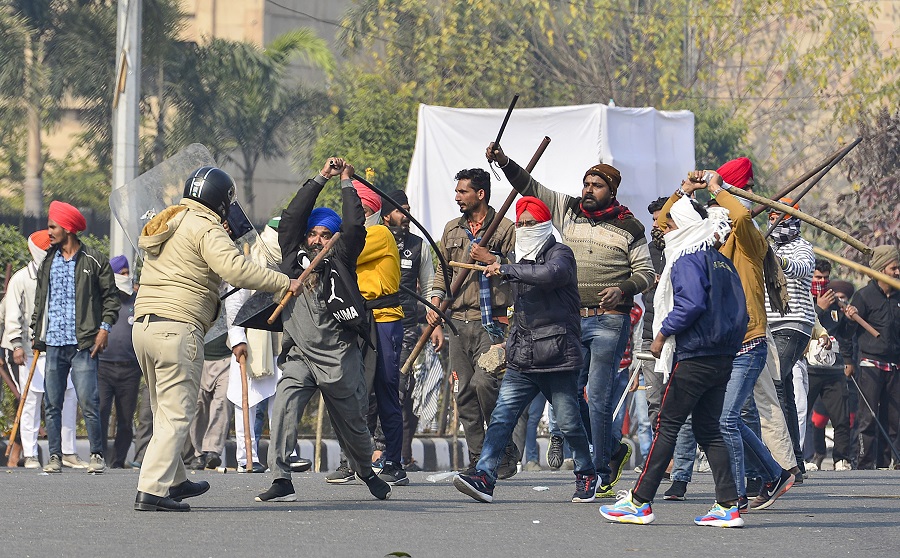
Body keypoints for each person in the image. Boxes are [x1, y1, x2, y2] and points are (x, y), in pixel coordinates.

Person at [486, 144, 655, 497]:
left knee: (597, 393)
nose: (587, 190)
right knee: (569, 396)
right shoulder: (569, 210)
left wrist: (623, 289)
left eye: (596, 185)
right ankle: (612, 446)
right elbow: (530, 186)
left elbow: (646, 273)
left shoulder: (631, 226)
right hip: (572, 321)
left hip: (610, 319)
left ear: (611, 190)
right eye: (585, 183)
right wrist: (503, 161)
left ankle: (602, 467)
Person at [133, 166, 298, 511]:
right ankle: (151, 490)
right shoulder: (204, 225)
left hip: (145, 326)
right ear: (221, 201)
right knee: (178, 414)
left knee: (164, 409)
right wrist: (283, 282)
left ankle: (174, 481)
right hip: (178, 328)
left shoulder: (169, 220)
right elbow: (235, 269)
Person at [600, 195, 747, 527]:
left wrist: (663, 334)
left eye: (670, 225)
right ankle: (727, 505)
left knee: (666, 426)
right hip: (723, 356)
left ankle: (639, 502)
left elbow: (691, 304)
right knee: (708, 429)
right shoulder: (723, 261)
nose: (665, 232)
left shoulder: (687, 260)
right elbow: (743, 313)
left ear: (685, 227)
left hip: (695, 355)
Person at [657, 169, 795, 511]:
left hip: (748, 342)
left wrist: (718, 189)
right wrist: (683, 189)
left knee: (726, 421)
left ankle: (734, 498)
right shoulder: (705, 253)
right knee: (723, 419)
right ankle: (772, 475)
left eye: (720, 223)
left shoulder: (748, 245)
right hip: (723, 347)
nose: (714, 231)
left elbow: (743, 216)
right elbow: (664, 222)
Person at [257, 158, 391, 503]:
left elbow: (354, 228)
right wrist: (320, 178)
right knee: (284, 406)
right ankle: (281, 477)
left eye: (325, 235)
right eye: (313, 234)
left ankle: (364, 469)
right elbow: (291, 218)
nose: (318, 240)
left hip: (339, 359)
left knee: (355, 428)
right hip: (300, 356)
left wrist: (346, 182)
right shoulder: (291, 258)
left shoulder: (343, 259)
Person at [453, 197, 597, 503]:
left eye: (531, 223)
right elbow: (517, 308)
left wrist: (505, 267)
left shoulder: (560, 254)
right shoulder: (517, 261)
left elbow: (549, 275)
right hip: (523, 355)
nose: (525, 228)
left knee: (570, 423)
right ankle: (485, 476)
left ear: (545, 224)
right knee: (503, 417)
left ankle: (586, 472)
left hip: (558, 356)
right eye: (520, 223)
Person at [427, 168, 518, 477]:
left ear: (480, 194)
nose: (457, 197)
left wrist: (491, 258)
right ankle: (481, 459)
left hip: (491, 323)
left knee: (485, 384)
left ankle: (502, 448)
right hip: (457, 322)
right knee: (462, 392)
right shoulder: (452, 229)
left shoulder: (505, 228)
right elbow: (443, 272)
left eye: (463, 191)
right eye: (457, 191)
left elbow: (519, 269)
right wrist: (437, 302)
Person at [31, 201, 120, 475]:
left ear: (68, 228)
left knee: (89, 402)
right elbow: (39, 302)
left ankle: (96, 454)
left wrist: (104, 329)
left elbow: (111, 299)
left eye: (52, 227)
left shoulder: (94, 260)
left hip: (83, 344)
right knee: (52, 403)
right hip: (54, 343)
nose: (49, 232)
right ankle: (55, 456)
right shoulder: (47, 261)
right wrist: (37, 333)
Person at [3, 230, 84, 470]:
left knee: (69, 397)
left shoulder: (64, 273)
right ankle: (30, 453)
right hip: (30, 352)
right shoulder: (21, 279)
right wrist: (17, 344)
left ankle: (68, 451)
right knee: (32, 400)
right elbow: (12, 316)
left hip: (62, 348)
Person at [382, 188, 443, 472]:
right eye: (399, 210)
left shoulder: (419, 245)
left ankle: (393, 454)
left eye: (407, 209)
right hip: (373, 324)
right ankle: (371, 451)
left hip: (406, 325)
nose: (406, 215)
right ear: (385, 216)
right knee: (373, 389)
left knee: (400, 388)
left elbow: (430, 287)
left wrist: (435, 324)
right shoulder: (371, 239)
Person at [765, 198, 816, 479]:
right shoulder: (766, 245)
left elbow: (800, 268)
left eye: (780, 217)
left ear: (792, 219)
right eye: (771, 216)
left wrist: (776, 259)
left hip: (794, 324)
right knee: (781, 387)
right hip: (769, 325)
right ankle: (795, 462)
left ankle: (784, 462)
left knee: (773, 384)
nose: (774, 221)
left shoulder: (801, 247)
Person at [849, 244, 900, 469]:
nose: (898, 272)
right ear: (880, 270)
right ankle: (864, 464)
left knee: (895, 418)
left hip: (895, 366)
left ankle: (892, 463)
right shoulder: (863, 297)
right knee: (868, 417)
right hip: (870, 364)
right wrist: (848, 360)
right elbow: (847, 333)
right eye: (893, 268)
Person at [97, 255, 143, 468]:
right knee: (101, 413)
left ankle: (117, 461)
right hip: (104, 366)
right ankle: (99, 457)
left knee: (126, 419)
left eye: (127, 273)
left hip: (130, 368)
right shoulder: (105, 299)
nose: (125, 276)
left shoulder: (137, 300)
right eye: (121, 274)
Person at [809, 277, 856, 470]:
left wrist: (851, 321)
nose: (821, 281)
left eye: (825, 278)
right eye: (818, 277)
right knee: (805, 416)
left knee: (841, 416)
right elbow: (804, 325)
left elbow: (845, 335)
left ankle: (841, 458)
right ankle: (805, 456)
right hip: (810, 367)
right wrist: (819, 308)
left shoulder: (837, 307)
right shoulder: (804, 300)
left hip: (834, 369)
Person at [186, 327, 231, 470]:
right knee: (197, 405)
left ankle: (213, 451)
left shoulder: (231, 304)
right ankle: (200, 454)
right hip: (199, 359)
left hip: (227, 359)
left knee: (222, 402)